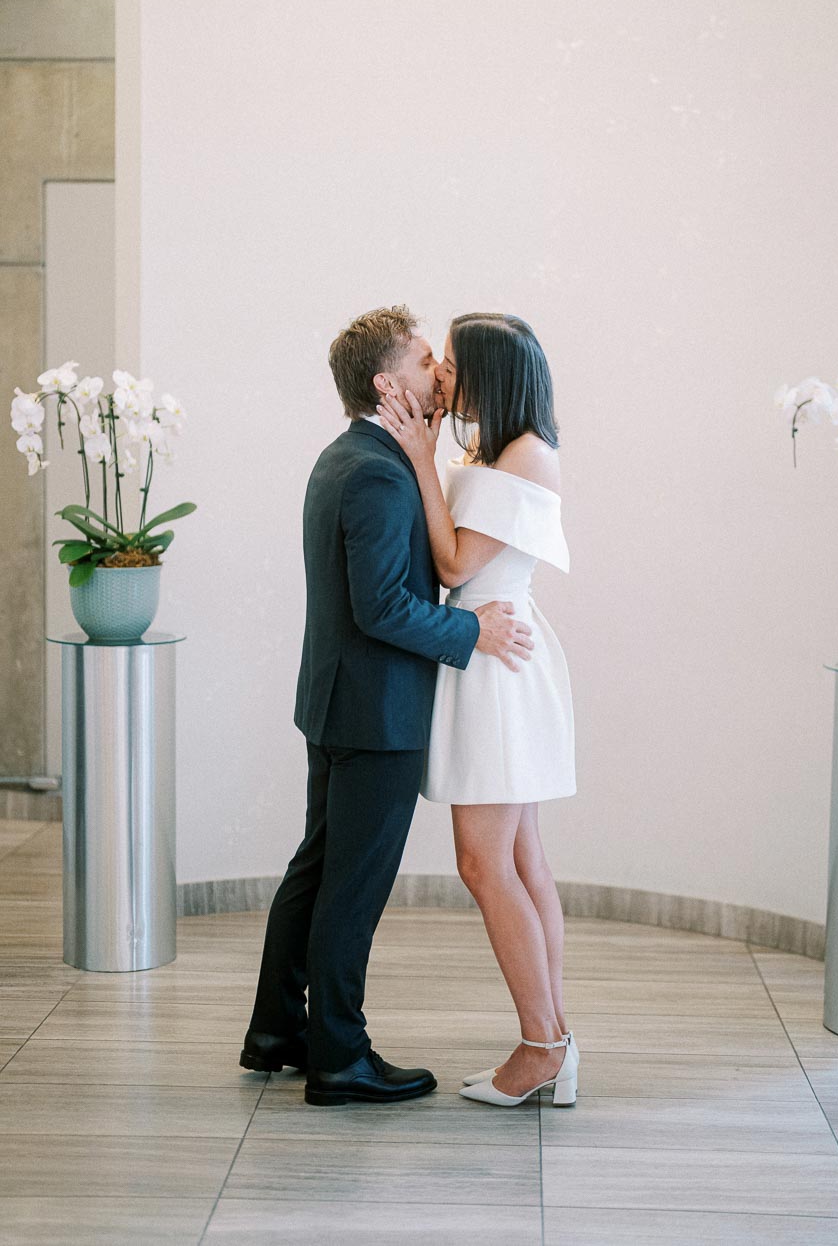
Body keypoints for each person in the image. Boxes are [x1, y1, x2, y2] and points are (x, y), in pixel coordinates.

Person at [240, 305, 535, 1106]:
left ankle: (276, 1032)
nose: (439, 370)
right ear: (386, 381)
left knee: (317, 869)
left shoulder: (352, 456)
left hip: (340, 704)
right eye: (425, 358)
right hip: (375, 715)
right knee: (353, 887)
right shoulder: (375, 470)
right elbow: (383, 608)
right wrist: (470, 630)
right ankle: (339, 1056)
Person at [377, 311, 578, 1108]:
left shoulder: (525, 454)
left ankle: (542, 1046)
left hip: (497, 661)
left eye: (455, 365)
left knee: (484, 863)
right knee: (522, 861)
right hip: (488, 649)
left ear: (493, 372)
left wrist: (423, 461)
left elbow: (454, 560)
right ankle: (553, 1039)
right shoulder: (499, 448)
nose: (444, 377)